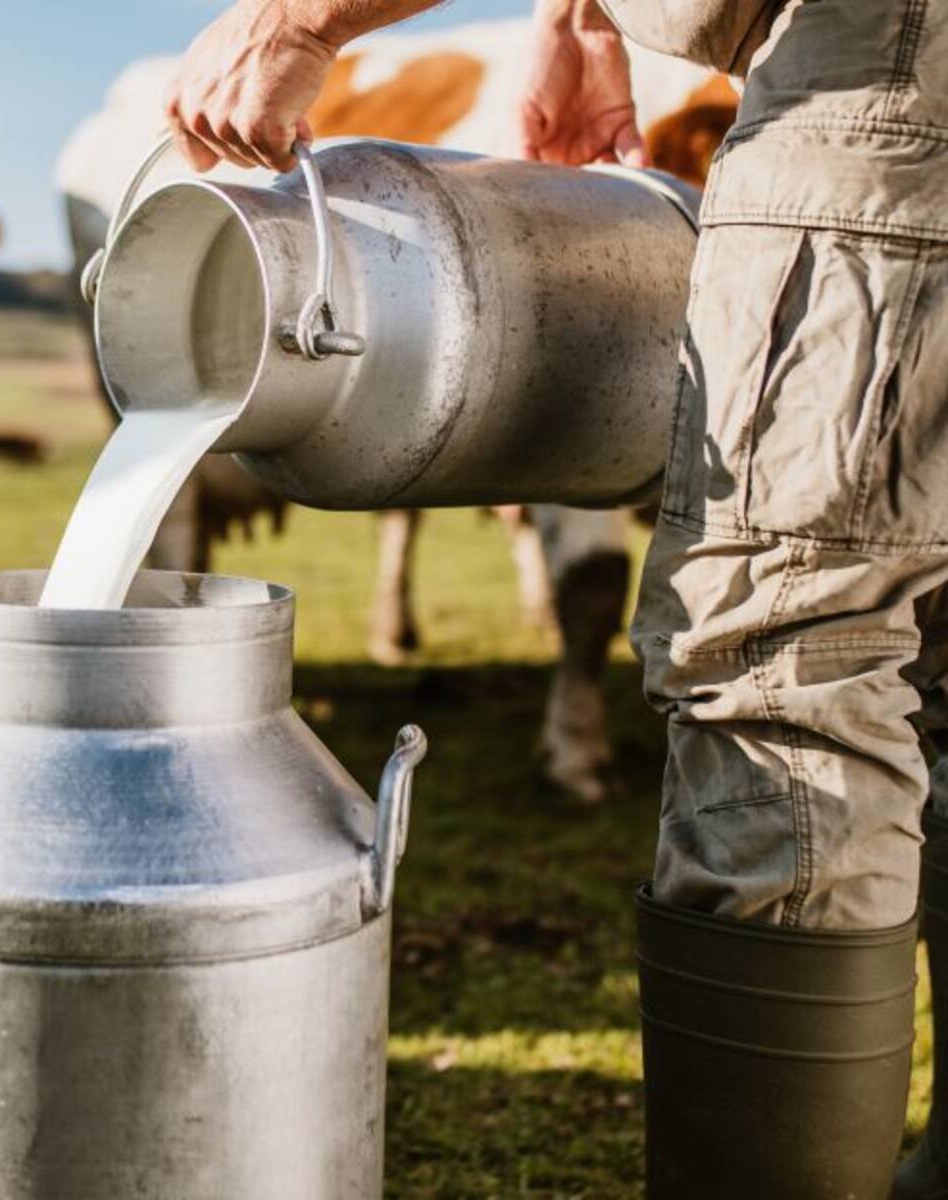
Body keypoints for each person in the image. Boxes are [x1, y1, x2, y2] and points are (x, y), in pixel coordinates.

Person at [164, 2, 948, 1196]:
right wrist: (579, 10)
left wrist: (298, 19)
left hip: (886, 80)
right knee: (933, 659)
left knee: (791, 666)